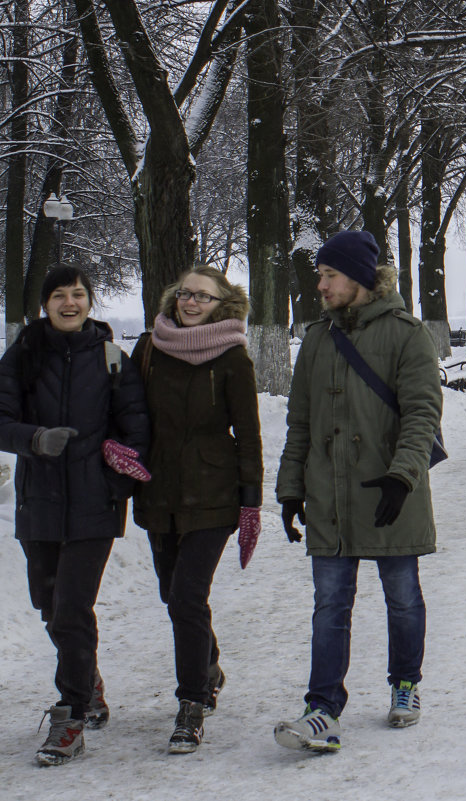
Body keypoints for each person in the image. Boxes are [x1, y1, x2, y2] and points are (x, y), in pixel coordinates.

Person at [274, 230, 442, 753]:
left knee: (402, 597)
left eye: (329, 275)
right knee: (330, 604)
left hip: (391, 491)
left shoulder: (406, 333)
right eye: (319, 275)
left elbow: (422, 412)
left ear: (360, 278)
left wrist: (403, 474)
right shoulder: (318, 339)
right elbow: (299, 420)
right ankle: (322, 707)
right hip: (330, 496)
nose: (319, 285)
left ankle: (405, 683)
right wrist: (290, 487)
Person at [0, 265, 150, 766]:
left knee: (70, 609)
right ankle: (88, 679)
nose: (70, 302)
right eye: (59, 295)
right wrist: (34, 439)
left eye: (79, 294)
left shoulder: (112, 359)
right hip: (38, 502)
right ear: (45, 304)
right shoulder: (22, 355)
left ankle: (72, 714)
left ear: (91, 301)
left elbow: (138, 431)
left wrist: (116, 484)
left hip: (94, 506)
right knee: (48, 604)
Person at [130, 265, 263, 754]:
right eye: (185, 294)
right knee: (173, 595)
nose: (190, 303)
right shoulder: (149, 348)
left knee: (187, 596)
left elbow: (248, 433)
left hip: (213, 495)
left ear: (222, 305)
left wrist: (251, 503)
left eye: (202, 297)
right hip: (158, 492)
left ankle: (192, 700)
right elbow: (126, 412)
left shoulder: (232, 357)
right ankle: (207, 664)